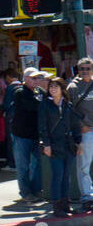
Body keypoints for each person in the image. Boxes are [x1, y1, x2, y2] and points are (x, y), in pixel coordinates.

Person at [39, 75, 81, 217]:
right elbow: (42, 126)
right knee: (57, 175)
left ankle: (65, 204)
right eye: (51, 87)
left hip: (68, 144)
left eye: (56, 86)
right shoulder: (45, 105)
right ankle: (57, 206)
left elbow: (74, 125)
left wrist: (78, 142)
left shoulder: (67, 105)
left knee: (66, 176)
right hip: (54, 144)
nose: (53, 89)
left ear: (62, 89)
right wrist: (46, 144)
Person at [10, 67, 46, 203]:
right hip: (21, 134)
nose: (36, 80)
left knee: (37, 164)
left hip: (36, 134)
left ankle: (37, 190)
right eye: (33, 78)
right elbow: (35, 106)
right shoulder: (19, 92)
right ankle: (25, 192)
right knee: (23, 165)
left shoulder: (39, 91)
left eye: (38, 78)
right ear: (25, 78)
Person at [66, 58, 93, 213]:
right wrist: (80, 126)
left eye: (88, 68)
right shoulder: (73, 87)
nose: (85, 71)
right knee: (84, 166)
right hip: (86, 132)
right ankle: (87, 197)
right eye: (82, 68)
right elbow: (69, 110)